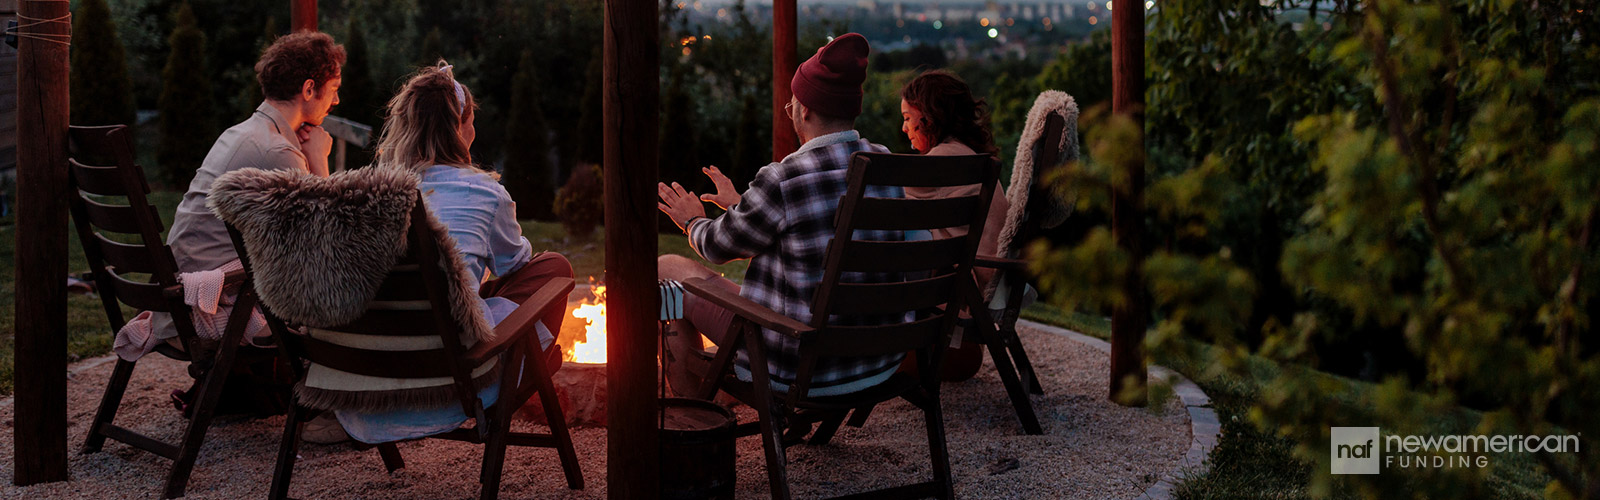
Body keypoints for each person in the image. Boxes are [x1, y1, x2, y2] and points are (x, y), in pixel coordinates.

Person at [303, 62, 576, 445]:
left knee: (450, 289)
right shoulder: (483, 193)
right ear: (461, 130)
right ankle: (512, 375)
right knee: (554, 269)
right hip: (452, 383)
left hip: (365, 381)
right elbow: (516, 263)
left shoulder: (365, 197)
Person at [657, 33, 908, 397]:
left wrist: (692, 220)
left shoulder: (785, 178)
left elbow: (716, 247)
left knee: (666, 271)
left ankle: (692, 418)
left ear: (804, 109)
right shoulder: (883, 162)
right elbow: (813, 227)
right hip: (875, 363)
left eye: (791, 105)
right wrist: (739, 205)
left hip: (798, 365)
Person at [114, 32, 346, 414]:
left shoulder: (241, 133)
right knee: (344, 284)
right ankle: (339, 409)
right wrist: (318, 158)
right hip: (211, 306)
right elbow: (324, 238)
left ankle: (248, 394)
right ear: (309, 88)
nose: (336, 99)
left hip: (177, 295)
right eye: (333, 88)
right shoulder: (276, 150)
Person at [897, 69, 1013, 381]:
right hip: (990, 280)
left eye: (908, 117)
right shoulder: (973, 157)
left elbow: (886, 199)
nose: (904, 127)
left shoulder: (943, 162)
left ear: (929, 116)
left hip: (966, 288)